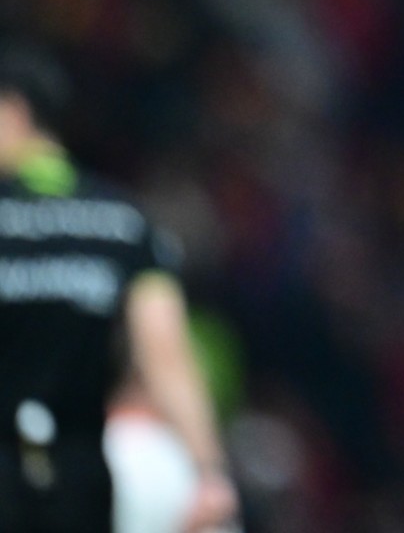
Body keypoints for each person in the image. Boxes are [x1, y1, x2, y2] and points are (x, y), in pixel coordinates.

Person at [0, 43, 238, 532]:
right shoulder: (125, 224)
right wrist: (209, 471)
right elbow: (164, 353)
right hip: (79, 476)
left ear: (15, 109)